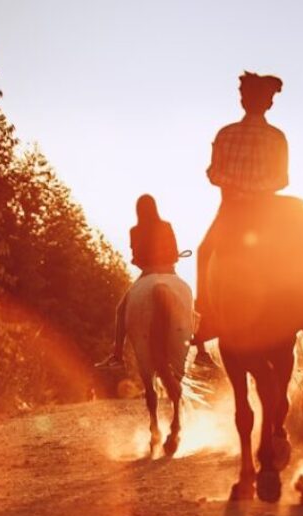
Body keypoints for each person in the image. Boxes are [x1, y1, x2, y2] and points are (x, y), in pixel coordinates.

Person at [192, 71, 288, 365]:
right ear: (268, 104)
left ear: (243, 100)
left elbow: (213, 174)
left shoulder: (226, 134)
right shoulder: (277, 137)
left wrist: (237, 185)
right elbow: (281, 179)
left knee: (205, 252)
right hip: (267, 213)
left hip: (231, 212)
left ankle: (206, 318)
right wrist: (257, 187)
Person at [95, 194, 180, 369]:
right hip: (169, 271)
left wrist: (139, 261)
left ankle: (117, 355)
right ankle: (201, 352)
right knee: (189, 303)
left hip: (148, 273)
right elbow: (175, 253)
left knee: (120, 310)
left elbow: (137, 258)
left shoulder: (135, 230)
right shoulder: (166, 226)